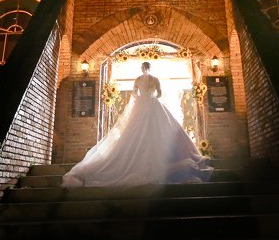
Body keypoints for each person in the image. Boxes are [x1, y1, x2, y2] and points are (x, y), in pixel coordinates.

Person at [62, 61, 214, 187]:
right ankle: (191, 157)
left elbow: (134, 93)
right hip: (154, 104)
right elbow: (159, 93)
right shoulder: (155, 79)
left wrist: (140, 98)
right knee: (168, 130)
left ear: (142, 69)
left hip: (141, 105)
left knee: (135, 133)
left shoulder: (138, 80)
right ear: (150, 68)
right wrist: (152, 96)